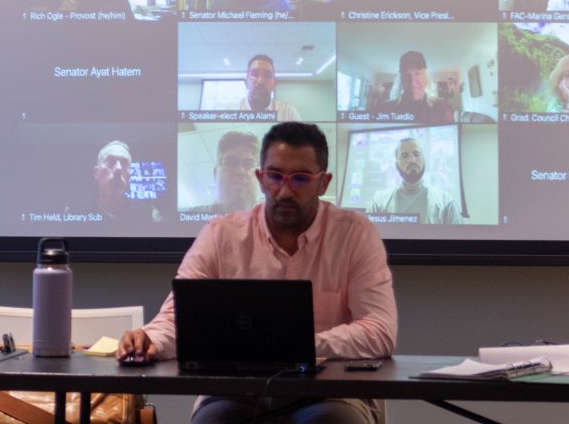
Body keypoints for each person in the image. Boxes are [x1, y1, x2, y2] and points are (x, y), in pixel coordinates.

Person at [118, 122, 397, 424]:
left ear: (324, 183)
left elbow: (379, 331)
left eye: (300, 179)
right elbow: (177, 319)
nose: (284, 191)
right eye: (275, 177)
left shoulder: (355, 236)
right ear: (260, 178)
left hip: (330, 392)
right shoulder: (220, 235)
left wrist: (301, 346)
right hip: (234, 392)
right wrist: (149, 339)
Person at [367, 137, 462, 224]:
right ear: (396, 165)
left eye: (416, 154)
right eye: (405, 156)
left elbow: (459, 239)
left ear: (424, 160)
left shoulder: (446, 202)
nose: (412, 160)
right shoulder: (378, 203)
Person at [67, 140, 160, 225]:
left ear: (130, 175)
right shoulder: (74, 213)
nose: (118, 169)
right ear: (96, 173)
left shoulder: (148, 214)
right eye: (111, 162)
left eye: (124, 163)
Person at [180, 130, 261, 217]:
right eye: (230, 163)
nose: (240, 171)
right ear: (215, 174)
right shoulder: (188, 216)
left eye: (249, 164)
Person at [378, 50, 454, 125]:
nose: (412, 81)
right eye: (407, 75)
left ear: (426, 77)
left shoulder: (442, 108)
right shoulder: (384, 110)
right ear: (401, 79)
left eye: (418, 74)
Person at [226, 55, 301, 120]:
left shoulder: (289, 113)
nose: (260, 81)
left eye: (267, 75)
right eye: (254, 74)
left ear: (273, 84)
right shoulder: (229, 111)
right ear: (246, 82)